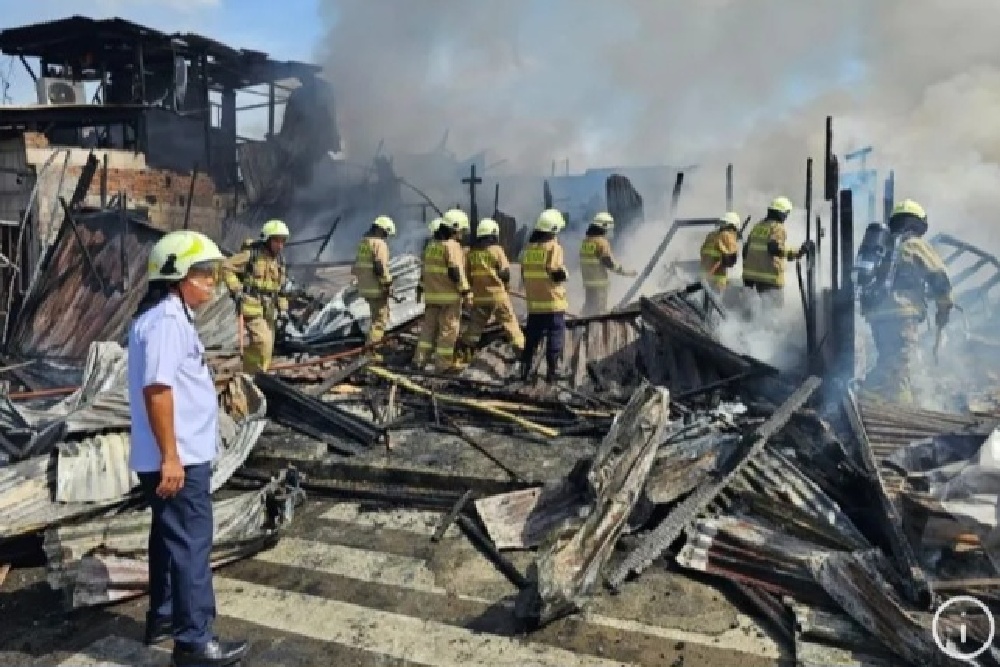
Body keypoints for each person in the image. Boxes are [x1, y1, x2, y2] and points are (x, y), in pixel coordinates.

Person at [128, 230, 248, 666]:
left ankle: (163, 616)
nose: (211, 282)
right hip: (177, 458)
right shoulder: (165, 323)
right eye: (203, 274)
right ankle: (195, 641)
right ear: (177, 275)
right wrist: (172, 457)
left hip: (171, 455)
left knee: (168, 538)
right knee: (192, 545)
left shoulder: (167, 317)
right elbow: (158, 391)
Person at [861, 199, 953, 404]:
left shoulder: (883, 247)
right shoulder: (914, 245)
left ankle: (880, 398)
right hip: (902, 313)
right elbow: (939, 276)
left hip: (877, 314)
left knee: (890, 360)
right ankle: (891, 407)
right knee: (901, 364)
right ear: (917, 224)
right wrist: (944, 306)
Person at [221, 219, 290, 373]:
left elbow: (281, 289)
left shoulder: (279, 261)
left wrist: (284, 310)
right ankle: (257, 377)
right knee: (263, 342)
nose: (280, 245)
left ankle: (251, 375)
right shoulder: (251, 255)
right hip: (252, 306)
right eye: (277, 241)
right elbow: (225, 266)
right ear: (267, 239)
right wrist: (236, 289)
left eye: (282, 241)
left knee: (265, 348)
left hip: (270, 310)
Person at [456, 217, 524, 362]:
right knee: (510, 324)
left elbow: (468, 276)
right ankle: (521, 352)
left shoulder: (471, 253)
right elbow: (505, 273)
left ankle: (465, 352)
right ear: (493, 234)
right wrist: (505, 286)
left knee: (475, 327)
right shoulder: (497, 250)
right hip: (498, 297)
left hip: (480, 298)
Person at [413, 208, 472, 371]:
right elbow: (455, 271)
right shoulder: (452, 246)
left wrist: (420, 289)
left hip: (432, 296)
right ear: (455, 228)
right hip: (449, 298)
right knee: (448, 331)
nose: (462, 234)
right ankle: (443, 365)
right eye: (462, 230)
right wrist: (466, 292)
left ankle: (419, 361)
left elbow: (425, 272)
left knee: (428, 330)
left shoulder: (431, 246)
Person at [519, 209, 569, 383]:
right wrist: (565, 274)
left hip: (534, 304)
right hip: (552, 302)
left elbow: (524, 274)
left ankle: (524, 370)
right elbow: (555, 271)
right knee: (555, 335)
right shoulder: (553, 247)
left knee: (532, 338)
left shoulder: (528, 249)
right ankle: (552, 372)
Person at [741, 197, 811, 308]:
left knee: (756, 312)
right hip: (770, 279)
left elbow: (745, 250)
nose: (786, 217)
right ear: (781, 213)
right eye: (786, 213)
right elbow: (774, 249)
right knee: (773, 313)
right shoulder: (777, 228)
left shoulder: (758, 226)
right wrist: (799, 252)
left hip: (752, 279)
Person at [351, 215, 396, 360]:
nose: (386, 237)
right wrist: (387, 283)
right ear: (380, 230)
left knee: (374, 317)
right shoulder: (379, 244)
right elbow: (380, 266)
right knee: (379, 321)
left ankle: (369, 348)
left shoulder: (363, 243)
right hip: (377, 288)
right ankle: (371, 353)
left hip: (365, 287)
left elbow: (356, 267)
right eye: (386, 233)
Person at [578, 211, 636, 316]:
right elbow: (608, 262)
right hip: (599, 285)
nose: (608, 231)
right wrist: (625, 272)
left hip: (588, 283)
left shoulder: (585, 242)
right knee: (599, 313)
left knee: (589, 309)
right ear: (603, 226)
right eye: (608, 228)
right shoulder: (601, 242)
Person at [700, 211, 741, 292]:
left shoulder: (711, 235)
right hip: (718, 280)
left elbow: (703, 252)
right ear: (733, 225)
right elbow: (731, 260)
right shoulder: (727, 236)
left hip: (704, 276)